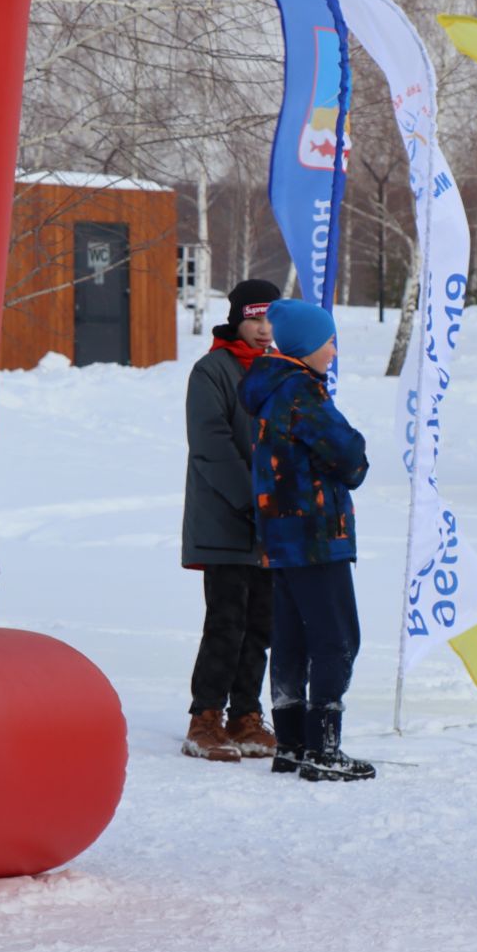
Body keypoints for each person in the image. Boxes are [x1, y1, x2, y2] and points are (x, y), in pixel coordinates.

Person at [241, 299, 373, 782]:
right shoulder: (302, 393)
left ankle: (293, 743)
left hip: (280, 539)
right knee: (337, 639)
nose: (334, 351)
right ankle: (323, 749)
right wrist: (355, 448)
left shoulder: (270, 389)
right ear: (305, 347)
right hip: (317, 536)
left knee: (293, 640)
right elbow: (351, 458)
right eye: (329, 342)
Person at [181, 278, 280, 763]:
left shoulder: (278, 370)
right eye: (256, 319)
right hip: (226, 520)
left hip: (271, 523)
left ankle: (246, 715)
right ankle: (206, 717)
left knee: (261, 623)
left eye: (270, 321)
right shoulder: (211, 371)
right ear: (238, 318)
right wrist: (253, 500)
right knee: (227, 621)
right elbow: (211, 444)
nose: (264, 329)